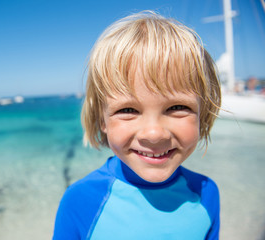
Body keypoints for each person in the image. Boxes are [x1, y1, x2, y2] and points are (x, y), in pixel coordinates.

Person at [53, 11, 221, 240]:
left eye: (177, 107)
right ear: (102, 120)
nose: (154, 134)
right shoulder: (80, 201)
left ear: (203, 115)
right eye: (128, 110)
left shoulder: (206, 193)